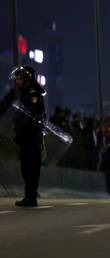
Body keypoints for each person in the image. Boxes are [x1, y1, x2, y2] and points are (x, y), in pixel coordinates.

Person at [0, 66, 46, 207]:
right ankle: (29, 196)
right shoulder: (22, 92)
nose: (17, 81)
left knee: (31, 166)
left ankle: (31, 197)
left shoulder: (32, 92)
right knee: (26, 166)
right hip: (25, 136)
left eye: (20, 78)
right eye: (17, 78)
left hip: (31, 136)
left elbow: (32, 112)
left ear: (27, 79)